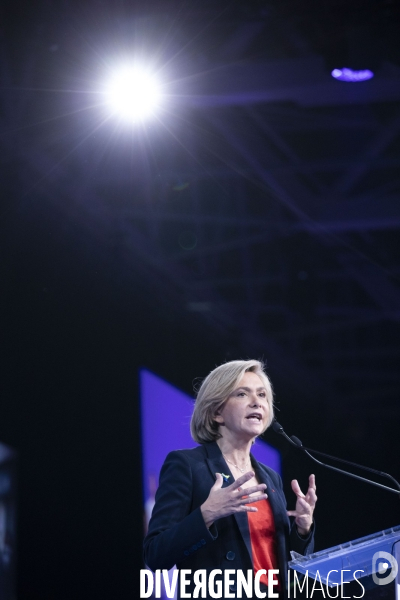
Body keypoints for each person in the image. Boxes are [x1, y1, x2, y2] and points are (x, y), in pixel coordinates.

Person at [144, 360, 317, 599]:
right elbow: (155, 555)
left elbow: (284, 563)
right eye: (242, 394)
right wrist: (206, 514)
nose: (257, 401)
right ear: (217, 412)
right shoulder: (188, 465)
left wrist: (303, 529)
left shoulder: (271, 478)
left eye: (262, 395)